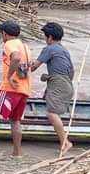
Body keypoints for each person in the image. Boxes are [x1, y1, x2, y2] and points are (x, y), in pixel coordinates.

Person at [0, 20, 33, 157]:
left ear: (4, 34)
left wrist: (9, 78)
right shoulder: (25, 47)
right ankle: (17, 153)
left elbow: (16, 59)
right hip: (24, 89)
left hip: (10, 88)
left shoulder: (9, 44)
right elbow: (24, 68)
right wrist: (1, 84)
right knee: (15, 121)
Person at [29, 22, 74, 156]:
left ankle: (65, 142)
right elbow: (71, 71)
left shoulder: (49, 48)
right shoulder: (64, 49)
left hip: (59, 84)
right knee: (50, 107)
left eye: (45, 36)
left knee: (51, 114)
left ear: (49, 37)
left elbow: (33, 67)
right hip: (67, 84)